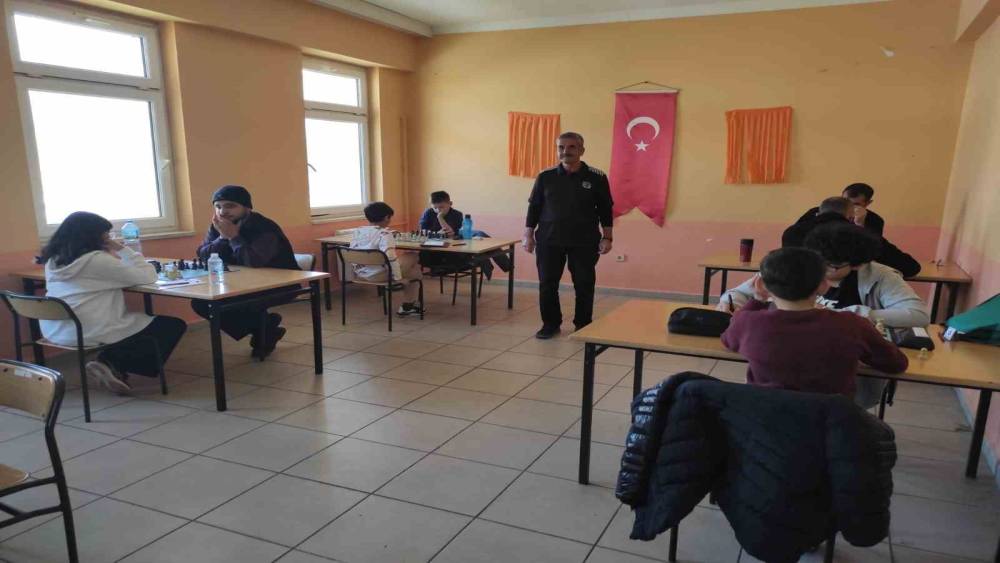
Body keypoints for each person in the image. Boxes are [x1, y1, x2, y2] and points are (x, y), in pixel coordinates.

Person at [721, 247, 908, 398]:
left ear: (761, 285)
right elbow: (897, 364)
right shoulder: (853, 325)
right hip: (831, 424)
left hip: (765, 421)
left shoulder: (748, 322)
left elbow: (728, 341)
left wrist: (757, 300)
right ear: (824, 285)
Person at [39, 212, 187, 394]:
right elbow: (148, 276)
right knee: (171, 325)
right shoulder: (97, 260)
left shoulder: (53, 261)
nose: (109, 238)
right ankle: (112, 363)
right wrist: (123, 249)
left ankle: (112, 365)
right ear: (94, 236)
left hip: (56, 329)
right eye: (106, 235)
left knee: (141, 323)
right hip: (90, 329)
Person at [721, 223, 929, 328]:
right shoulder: (799, 263)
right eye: (819, 260)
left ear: (857, 264)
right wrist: (731, 305)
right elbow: (736, 293)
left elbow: (918, 315)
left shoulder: (881, 276)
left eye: (832, 266)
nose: (820, 269)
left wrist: (849, 314)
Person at [524, 132, 614, 339]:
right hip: (549, 239)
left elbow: (605, 209)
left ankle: (583, 324)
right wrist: (528, 235)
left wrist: (607, 237)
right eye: (561, 147)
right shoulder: (545, 176)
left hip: (584, 241)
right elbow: (534, 207)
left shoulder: (597, 177)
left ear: (581, 150)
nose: (566, 151)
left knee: (584, 284)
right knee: (547, 284)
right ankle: (550, 324)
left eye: (572, 147)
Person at [191, 185, 298, 358]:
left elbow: (253, 261)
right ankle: (266, 328)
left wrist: (233, 237)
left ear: (246, 207)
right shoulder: (219, 226)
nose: (223, 211)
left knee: (237, 302)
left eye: (230, 206)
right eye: (218, 206)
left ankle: (265, 329)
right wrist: (222, 238)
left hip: (280, 284)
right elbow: (203, 256)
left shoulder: (264, 227)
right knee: (201, 303)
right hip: (242, 283)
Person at [784, 196, 920, 277]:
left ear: (818, 214)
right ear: (851, 217)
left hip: (798, 295)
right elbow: (910, 268)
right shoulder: (857, 235)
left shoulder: (792, 232)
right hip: (849, 302)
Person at [351, 202, 423, 316]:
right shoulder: (385, 234)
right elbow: (390, 258)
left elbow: (355, 251)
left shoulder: (357, 231)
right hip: (379, 275)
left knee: (414, 272)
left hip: (361, 273)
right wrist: (398, 279)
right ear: (386, 218)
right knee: (412, 256)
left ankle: (408, 307)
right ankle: (407, 307)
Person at [417, 190, 511, 278]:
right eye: (435, 208)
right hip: (439, 250)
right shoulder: (428, 213)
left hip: (454, 239)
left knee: (480, 234)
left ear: (450, 204)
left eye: (441, 207)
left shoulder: (457, 214)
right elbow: (423, 232)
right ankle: (498, 265)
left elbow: (451, 233)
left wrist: (441, 222)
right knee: (477, 244)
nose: (438, 210)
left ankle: (504, 266)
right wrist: (439, 219)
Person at [796, 182, 884, 236]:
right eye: (844, 200)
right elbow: (795, 234)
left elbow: (874, 250)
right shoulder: (816, 211)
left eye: (855, 204)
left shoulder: (875, 220)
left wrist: (860, 225)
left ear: (868, 203)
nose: (848, 206)